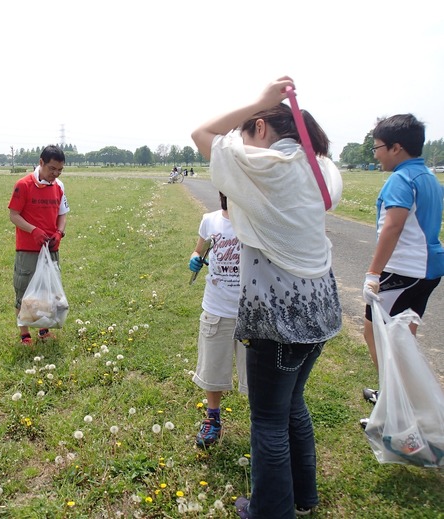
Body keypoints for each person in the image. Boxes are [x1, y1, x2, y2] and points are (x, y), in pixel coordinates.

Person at [191, 77, 343, 519]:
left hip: (278, 317)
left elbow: (202, 134)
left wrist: (259, 101)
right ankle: (303, 497)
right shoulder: (323, 170)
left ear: (260, 128)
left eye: (247, 132)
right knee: (293, 406)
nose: (242, 141)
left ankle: (269, 511)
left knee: (269, 421)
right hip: (320, 311)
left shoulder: (269, 168)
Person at [360, 114, 444, 420]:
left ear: (396, 148)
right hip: (428, 269)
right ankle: (404, 400)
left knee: (376, 333)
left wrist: (373, 274)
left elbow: (392, 227)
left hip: (404, 270)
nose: (376, 153)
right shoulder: (428, 177)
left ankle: (396, 405)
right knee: (403, 337)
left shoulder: (400, 178)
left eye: (377, 147)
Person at [189, 192, 246, 449]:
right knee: (212, 367)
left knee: (255, 374)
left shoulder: (254, 221)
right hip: (216, 308)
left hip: (249, 311)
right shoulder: (209, 220)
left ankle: (265, 422)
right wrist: (195, 258)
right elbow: (199, 249)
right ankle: (213, 418)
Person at [8, 145, 69, 346]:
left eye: (59, 170)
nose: (55, 173)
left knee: (47, 291)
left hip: (51, 248)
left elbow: (62, 213)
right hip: (27, 249)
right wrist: (33, 230)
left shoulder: (59, 186)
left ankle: (43, 329)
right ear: (41, 162)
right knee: (24, 292)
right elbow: (14, 215)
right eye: (52, 168)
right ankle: (25, 335)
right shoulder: (23, 185)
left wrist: (59, 232)